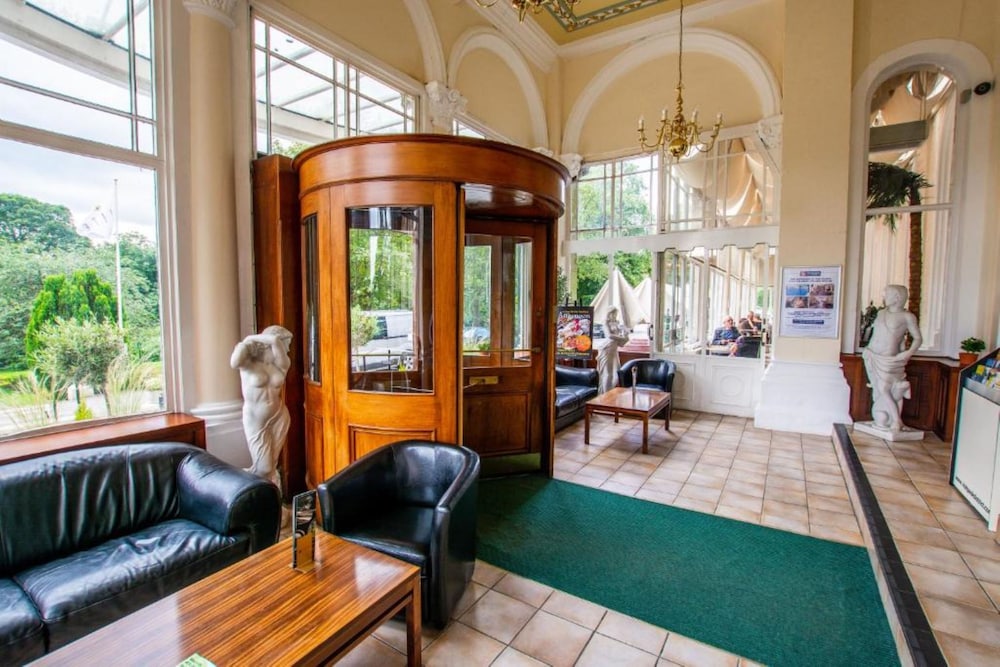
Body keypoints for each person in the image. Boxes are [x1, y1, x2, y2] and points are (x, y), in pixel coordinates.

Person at [231, 324, 293, 487]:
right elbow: (234, 362)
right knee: (264, 468)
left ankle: (271, 496)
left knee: (271, 465)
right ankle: (243, 486)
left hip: (279, 416)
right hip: (255, 419)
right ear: (269, 343)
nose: (287, 349)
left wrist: (271, 341)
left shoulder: (281, 364)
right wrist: (249, 339)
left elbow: (276, 344)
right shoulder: (248, 362)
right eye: (286, 344)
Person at [862, 285, 922, 432]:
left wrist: (907, 353)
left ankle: (896, 420)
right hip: (872, 354)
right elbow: (878, 335)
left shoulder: (907, 317)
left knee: (885, 388)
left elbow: (917, 338)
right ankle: (883, 419)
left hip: (888, 359)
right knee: (878, 389)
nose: (884, 297)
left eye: (887, 294)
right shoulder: (881, 313)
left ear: (897, 297)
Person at [596, 306, 629, 392]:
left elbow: (620, 343)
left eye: (616, 314)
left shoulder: (617, 323)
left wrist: (626, 335)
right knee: (607, 373)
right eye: (613, 314)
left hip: (614, 350)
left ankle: (610, 392)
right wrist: (622, 338)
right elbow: (609, 336)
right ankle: (605, 394)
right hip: (606, 349)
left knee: (616, 374)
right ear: (609, 314)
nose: (615, 316)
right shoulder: (605, 323)